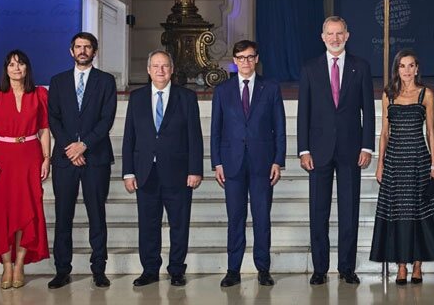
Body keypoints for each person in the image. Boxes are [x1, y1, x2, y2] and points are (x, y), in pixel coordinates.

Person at [297, 16, 375, 285]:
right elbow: (303, 113)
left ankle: (346, 268)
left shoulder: (361, 67)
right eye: (330, 33)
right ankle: (320, 268)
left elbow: (369, 110)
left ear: (347, 35)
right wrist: (303, 150)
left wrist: (367, 146)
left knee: (348, 212)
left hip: (351, 150)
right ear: (322, 37)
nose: (335, 38)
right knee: (318, 211)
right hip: (317, 152)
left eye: (339, 33)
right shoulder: (309, 69)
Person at [122, 50, 203, 287]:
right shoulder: (136, 98)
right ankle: (150, 270)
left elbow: (194, 137)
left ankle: (177, 269)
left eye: (165, 66)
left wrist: (195, 169)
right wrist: (128, 172)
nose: (160, 70)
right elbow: (130, 137)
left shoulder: (186, 97)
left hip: (178, 173)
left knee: (179, 224)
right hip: (145, 172)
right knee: (148, 224)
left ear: (172, 69)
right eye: (155, 66)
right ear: (148, 70)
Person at [370, 49, 434, 283]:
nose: (406, 71)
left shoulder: (426, 94)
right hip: (395, 161)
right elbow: (384, 133)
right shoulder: (389, 94)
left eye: (410, 66)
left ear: (417, 68)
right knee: (399, 214)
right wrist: (380, 164)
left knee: (418, 214)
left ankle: (417, 265)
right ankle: (401, 265)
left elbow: (431, 132)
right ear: (397, 69)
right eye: (402, 66)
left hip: (418, 160)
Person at [212, 40, 286, 288]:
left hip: (262, 163)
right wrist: (217, 162)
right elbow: (215, 129)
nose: (245, 61)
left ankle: (263, 269)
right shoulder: (222, 90)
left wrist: (278, 160)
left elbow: (280, 127)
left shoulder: (271, 88)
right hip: (231, 163)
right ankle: (233, 270)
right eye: (241, 57)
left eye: (250, 57)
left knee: (262, 217)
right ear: (234, 60)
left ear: (257, 59)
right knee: (235, 218)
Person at [47, 32, 117, 289]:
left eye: (88, 47)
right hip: (65, 160)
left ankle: (99, 269)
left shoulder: (106, 81)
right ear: (71, 51)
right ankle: (62, 270)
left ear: (94, 52)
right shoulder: (57, 81)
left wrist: (84, 145)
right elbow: (53, 118)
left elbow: (106, 119)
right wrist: (70, 148)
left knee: (97, 215)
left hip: (95, 157)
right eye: (78, 47)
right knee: (63, 216)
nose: (83, 50)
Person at [0, 50, 51, 289]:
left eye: (20, 64)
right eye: (11, 64)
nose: (16, 68)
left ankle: (19, 265)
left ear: (27, 68)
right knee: (1, 214)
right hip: (2, 158)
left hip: (30, 155)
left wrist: (46, 158)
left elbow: (44, 129)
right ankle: (6, 265)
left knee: (27, 211)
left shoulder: (39, 95)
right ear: (5, 69)